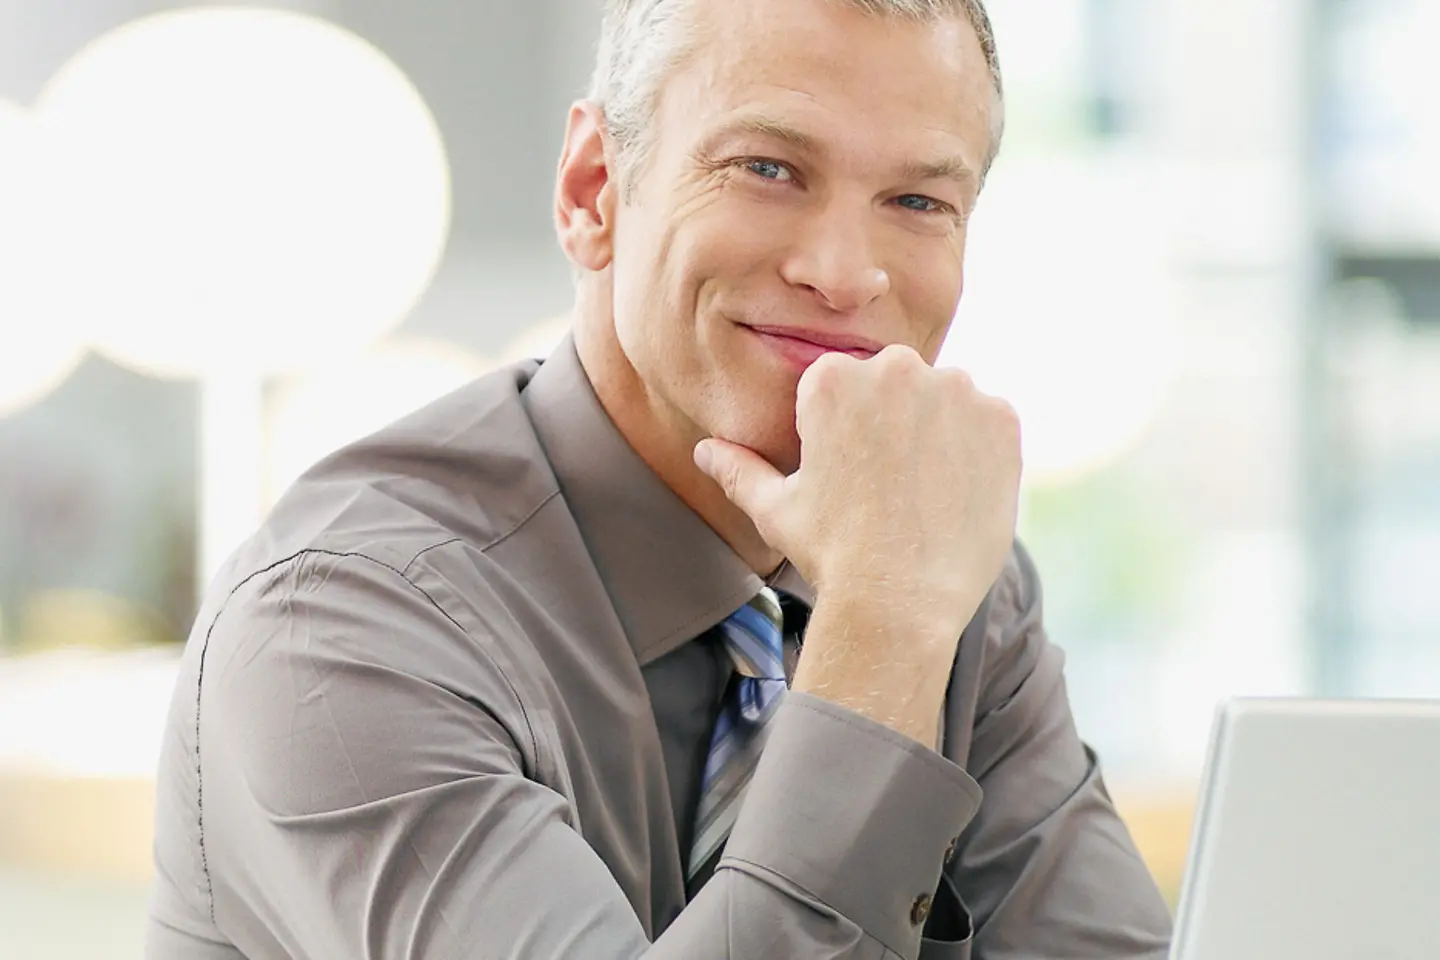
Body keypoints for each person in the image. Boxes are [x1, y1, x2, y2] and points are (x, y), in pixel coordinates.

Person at [146, 0, 1174, 957]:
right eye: (769, 169)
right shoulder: (336, 622)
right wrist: (883, 645)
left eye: (916, 199)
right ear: (594, 191)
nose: (846, 271)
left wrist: (895, 612)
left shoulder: (934, 576)